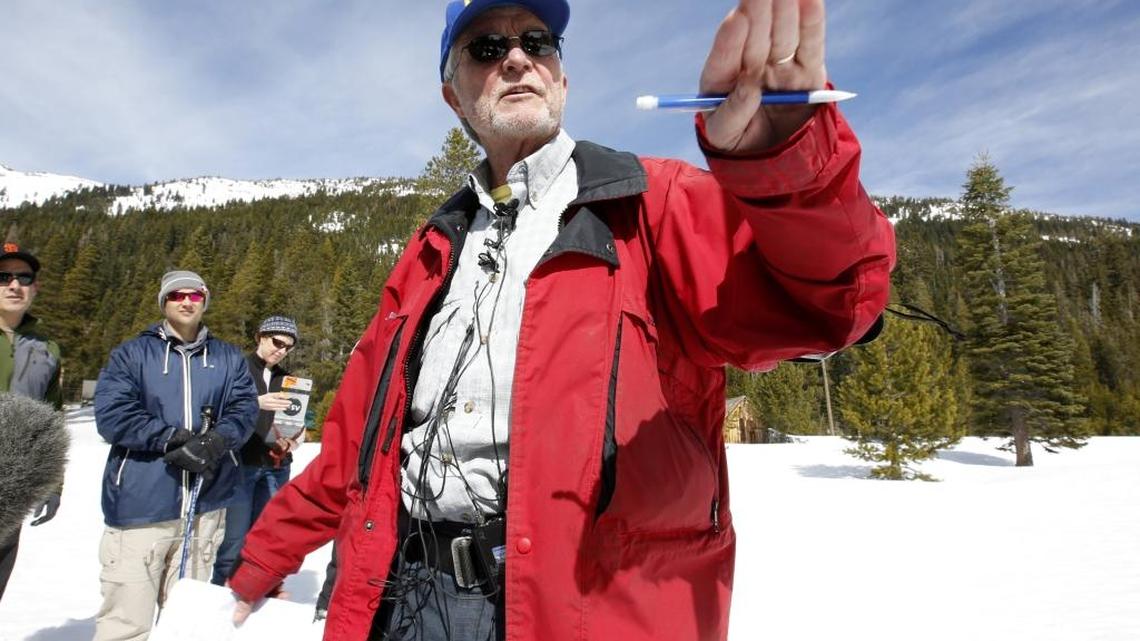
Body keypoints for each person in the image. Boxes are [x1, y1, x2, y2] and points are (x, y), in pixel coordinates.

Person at [231, 1, 895, 639]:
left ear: (561, 74)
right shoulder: (428, 253)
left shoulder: (652, 206)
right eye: (487, 48)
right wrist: (262, 559)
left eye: (537, 42)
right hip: (406, 598)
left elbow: (829, 303)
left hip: (582, 609)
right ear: (454, 95)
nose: (517, 58)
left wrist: (783, 166)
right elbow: (354, 445)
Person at [93, 270, 258, 641]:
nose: (186, 301)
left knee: (186, 625)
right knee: (126, 623)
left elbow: (244, 409)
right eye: (176, 295)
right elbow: (113, 415)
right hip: (141, 507)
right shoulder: (132, 354)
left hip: (205, 507)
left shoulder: (228, 358)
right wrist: (171, 438)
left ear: (204, 301)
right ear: (164, 302)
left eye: (195, 295)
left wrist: (215, 441)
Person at [211, 315, 302, 585]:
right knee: (234, 537)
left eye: (288, 347)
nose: (281, 350)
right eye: (277, 342)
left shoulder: (287, 380)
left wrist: (295, 438)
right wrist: (255, 402)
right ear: (261, 336)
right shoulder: (237, 369)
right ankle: (219, 592)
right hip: (241, 464)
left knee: (265, 536)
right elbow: (217, 409)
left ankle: (251, 592)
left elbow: (296, 421)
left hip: (276, 465)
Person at [0, 243, 62, 601]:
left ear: (34, 287)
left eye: (24, 277)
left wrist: (53, 483)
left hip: (12, 490)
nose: (14, 284)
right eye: (4, 276)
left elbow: (51, 417)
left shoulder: (46, 347)